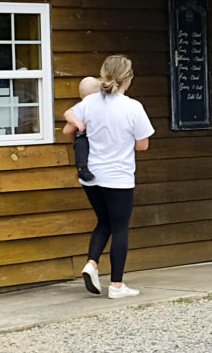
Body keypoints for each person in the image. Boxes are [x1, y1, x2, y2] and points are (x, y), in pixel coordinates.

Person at [62, 53, 153, 299]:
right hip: (119, 176)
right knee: (120, 228)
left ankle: (92, 264)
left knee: (104, 221)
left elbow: (68, 128)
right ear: (129, 79)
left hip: (91, 176)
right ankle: (116, 285)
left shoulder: (90, 102)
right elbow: (142, 145)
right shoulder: (133, 107)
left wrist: (87, 128)